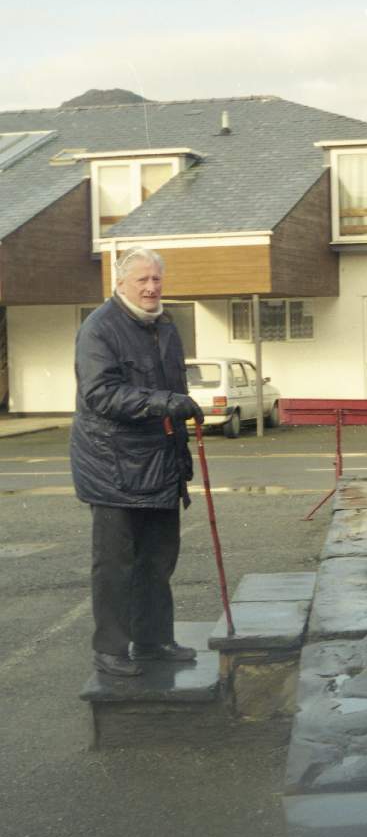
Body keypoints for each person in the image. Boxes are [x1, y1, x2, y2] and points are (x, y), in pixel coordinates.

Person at [70, 248, 204, 678]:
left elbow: (174, 385)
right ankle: (110, 649)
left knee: (158, 558)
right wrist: (166, 402)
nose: (150, 288)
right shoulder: (99, 328)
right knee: (115, 563)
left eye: (156, 280)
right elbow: (101, 394)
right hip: (112, 467)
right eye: (142, 280)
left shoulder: (165, 325)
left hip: (158, 464)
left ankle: (153, 640)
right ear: (120, 283)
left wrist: (180, 453)